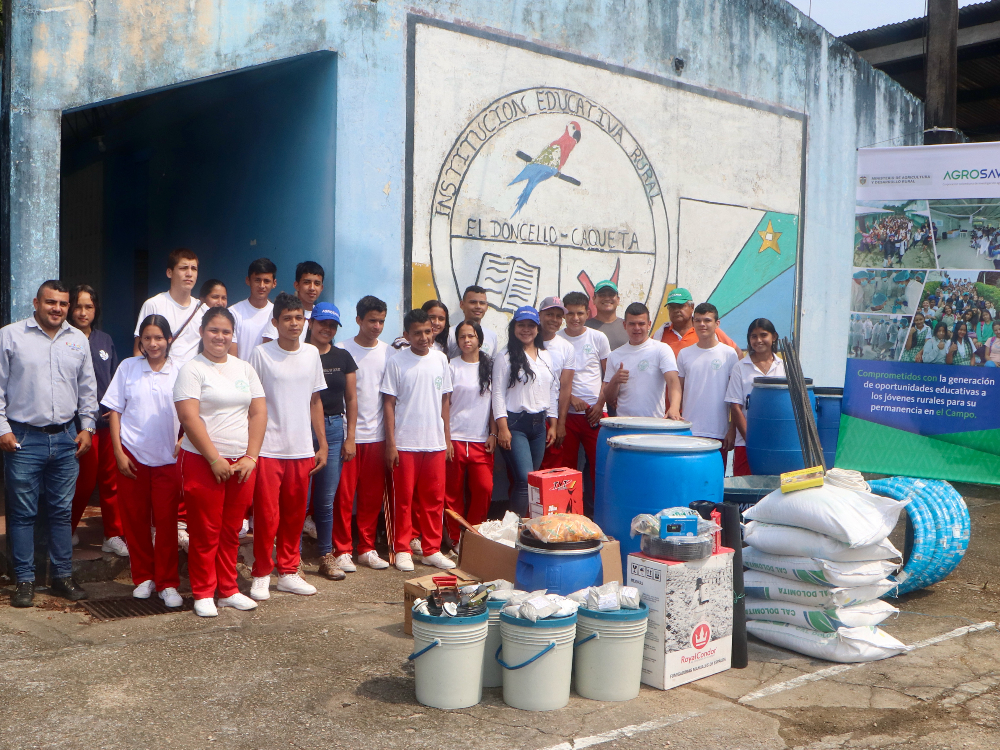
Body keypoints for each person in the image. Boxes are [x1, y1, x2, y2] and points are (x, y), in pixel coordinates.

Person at [0, 280, 97, 608]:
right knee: (23, 512)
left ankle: (62, 577)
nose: (57, 308)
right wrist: (2, 428)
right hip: (24, 438)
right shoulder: (11, 335)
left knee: (60, 511)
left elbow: (88, 388)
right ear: (36, 303)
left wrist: (88, 427)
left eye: (63, 303)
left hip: (67, 439)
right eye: (50, 302)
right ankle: (24, 581)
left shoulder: (77, 340)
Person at [174, 307, 266, 617]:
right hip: (203, 461)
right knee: (205, 530)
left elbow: (258, 412)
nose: (220, 337)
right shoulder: (192, 369)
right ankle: (202, 591)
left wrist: (251, 456)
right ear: (202, 332)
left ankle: (228, 590)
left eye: (226, 332)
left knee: (230, 531)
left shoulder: (244, 368)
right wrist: (214, 459)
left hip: (241, 464)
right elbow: (188, 416)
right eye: (214, 330)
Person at [248, 294, 327, 601]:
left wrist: (320, 444)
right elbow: (251, 402)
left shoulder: (311, 354)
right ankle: (260, 573)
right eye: (288, 319)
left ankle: (288, 572)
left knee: (295, 516)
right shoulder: (260, 354)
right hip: (268, 448)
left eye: (299, 318)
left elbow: (315, 400)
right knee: (267, 516)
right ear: (275, 322)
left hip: (302, 449)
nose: (294, 324)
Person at [103, 315, 182, 607]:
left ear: (169, 339)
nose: (153, 344)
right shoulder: (128, 367)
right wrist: (118, 453)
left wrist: (184, 440)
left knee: (166, 523)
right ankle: (143, 578)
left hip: (168, 460)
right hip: (132, 457)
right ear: (141, 341)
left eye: (158, 338)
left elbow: (194, 411)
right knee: (135, 521)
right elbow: (114, 411)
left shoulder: (181, 370)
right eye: (147, 338)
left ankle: (168, 583)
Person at [382, 308, 455, 572]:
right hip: (405, 443)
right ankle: (402, 548)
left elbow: (445, 400)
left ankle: (431, 549)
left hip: (434, 443)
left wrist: (447, 439)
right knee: (403, 500)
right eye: (417, 333)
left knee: (434, 499)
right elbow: (388, 403)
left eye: (428, 332)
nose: (424, 337)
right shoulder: (396, 362)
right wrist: (391, 444)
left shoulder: (441, 359)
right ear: (406, 335)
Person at [333, 296, 391, 571]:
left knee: (370, 497)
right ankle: (341, 549)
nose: (377, 326)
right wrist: (348, 436)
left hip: (378, 437)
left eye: (381, 321)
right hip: (348, 436)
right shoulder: (342, 350)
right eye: (371, 321)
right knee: (343, 496)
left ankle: (366, 548)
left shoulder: (390, 353)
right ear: (358, 320)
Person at [68, 284, 125, 556]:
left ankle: (112, 534)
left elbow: (114, 379)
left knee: (111, 481)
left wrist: (114, 409)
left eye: (88, 307)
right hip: (79, 427)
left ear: (96, 310)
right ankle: (66, 530)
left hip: (106, 423)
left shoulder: (105, 340)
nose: (82, 312)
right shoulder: (64, 339)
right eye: (78, 306)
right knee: (84, 481)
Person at [306, 303, 357, 579]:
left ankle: (326, 554)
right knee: (299, 499)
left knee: (326, 499)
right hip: (301, 429)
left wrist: (351, 437)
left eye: (332, 326)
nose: (327, 329)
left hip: (335, 427)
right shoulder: (300, 353)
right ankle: (291, 558)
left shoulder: (343, 356)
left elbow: (351, 398)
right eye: (322, 323)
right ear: (311, 323)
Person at [492, 307, 558, 517]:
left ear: (538, 329)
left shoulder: (546, 355)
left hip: (539, 424)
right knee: (525, 478)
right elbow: (498, 394)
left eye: (531, 325)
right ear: (514, 328)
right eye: (521, 325)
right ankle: (510, 530)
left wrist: (553, 424)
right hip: (515, 424)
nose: (526, 330)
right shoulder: (505, 356)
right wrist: (502, 427)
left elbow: (553, 390)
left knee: (533, 479)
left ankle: (524, 526)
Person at [444, 320, 496, 546]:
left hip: (480, 440)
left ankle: (474, 537)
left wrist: (493, 433)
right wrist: (446, 439)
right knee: (452, 493)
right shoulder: (451, 365)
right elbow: (444, 405)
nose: (467, 340)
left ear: (479, 340)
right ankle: (455, 539)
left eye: (471, 336)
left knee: (484, 488)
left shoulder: (491, 366)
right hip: (454, 438)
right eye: (462, 336)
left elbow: (496, 403)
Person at [558, 291, 610, 513]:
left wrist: (599, 405)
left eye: (580, 313)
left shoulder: (598, 338)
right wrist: (570, 399)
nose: (575, 318)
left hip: (595, 413)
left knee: (600, 469)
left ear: (588, 313)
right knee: (566, 470)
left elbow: (608, 376)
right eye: (570, 313)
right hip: (566, 415)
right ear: (564, 315)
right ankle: (568, 516)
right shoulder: (556, 339)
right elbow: (551, 378)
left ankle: (601, 515)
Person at [596, 302, 681, 419]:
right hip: (624, 425)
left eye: (641, 324)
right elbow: (610, 399)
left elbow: (673, 382)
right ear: (624, 325)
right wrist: (615, 380)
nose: (637, 328)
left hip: (653, 425)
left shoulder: (661, 349)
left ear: (649, 325)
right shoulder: (615, 355)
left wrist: (674, 408)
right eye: (632, 324)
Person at [724, 318, 785, 476]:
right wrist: (751, 440)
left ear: (774, 337)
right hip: (746, 444)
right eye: (753, 336)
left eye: (763, 335)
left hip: (778, 443)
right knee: (746, 491)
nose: (758, 340)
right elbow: (736, 407)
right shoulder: (740, 367)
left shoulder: (785, 367)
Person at [676, 303, 740, 457]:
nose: (702, 324)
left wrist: (732, 429)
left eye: (707, 320)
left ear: (717, 323)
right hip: (689, 430)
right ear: (693, 323)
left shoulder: (729, 354)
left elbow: (735, 397)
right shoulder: (684, 354)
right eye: (697, 320)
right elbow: (678, 390)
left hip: (719, 432)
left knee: (715, 479)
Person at [133, 248, 207, 363]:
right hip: (161, 375)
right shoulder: (153, 304)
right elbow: (139, 351)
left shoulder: (203, 309)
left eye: (194, 269)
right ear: (169, 272)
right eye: (183, 268)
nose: (189, 274)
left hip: (192, 377)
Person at [537, 296, 574, 469]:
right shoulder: (526, 340)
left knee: (551, 468)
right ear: (539, 315)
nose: (554, 319)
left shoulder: (566, 347)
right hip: (526, 415)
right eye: (549, 314)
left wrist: (560, 423)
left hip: (551, 417)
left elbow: (565, 388)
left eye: (559, 316)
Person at [261, 261, 325, 345]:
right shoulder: (283, 309)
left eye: (317, 283)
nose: (312, 288)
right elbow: (268, 344)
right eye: (307, 282)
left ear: (321, 288)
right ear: (297, 285)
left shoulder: (321, 315)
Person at [230, 258, 279, 360]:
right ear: (248, 280)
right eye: (257, 280)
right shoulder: (233, 312)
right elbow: (231, 357)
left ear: (274, 283)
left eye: (266, 281)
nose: (262, 286)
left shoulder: (278, 313)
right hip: (241, 374)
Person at [447, 285, 499, 358]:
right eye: (473, 302)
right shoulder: (450, 334)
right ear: (462, 304)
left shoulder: (492, 336)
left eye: (482, 303)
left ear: (486, 307)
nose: (478, 306)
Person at [584, 280, 629, 350]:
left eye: (611, 295)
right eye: (602, 295)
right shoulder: (585, 328)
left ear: (618, 300)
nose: (607, 298)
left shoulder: (628, 327)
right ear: (594, 299)